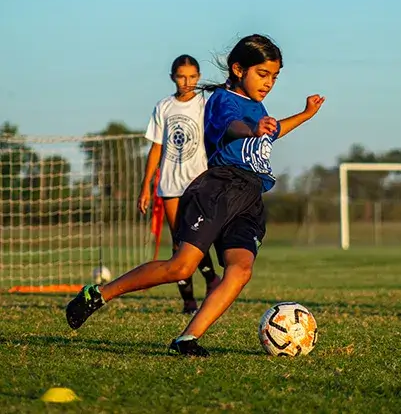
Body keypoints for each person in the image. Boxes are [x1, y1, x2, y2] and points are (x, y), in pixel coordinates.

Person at [66, 34, 325, 357]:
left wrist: (304, 115)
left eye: (274, 76)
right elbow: (232, 127)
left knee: (240, 270)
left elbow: (269, 131)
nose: (269, 82)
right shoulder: (222, 100)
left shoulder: (258, 106)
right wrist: (253, 129)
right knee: (181, 268)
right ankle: (99, 294)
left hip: (249, 197)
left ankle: (187, 338)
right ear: (238, 68)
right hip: (218, 188)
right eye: (263, 74)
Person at [138, 54, 221, 314]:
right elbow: (156, 149)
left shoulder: (205, 105)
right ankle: (188, 301)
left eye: (193, 77)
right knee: (178, 243)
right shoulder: (163, 107)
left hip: (199, 182)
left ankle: (211, 279)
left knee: (196, 241)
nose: (187, 82)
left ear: (199, 77)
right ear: (173, 77)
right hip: (170, 184)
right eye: (182, 76)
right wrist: (145, 187)